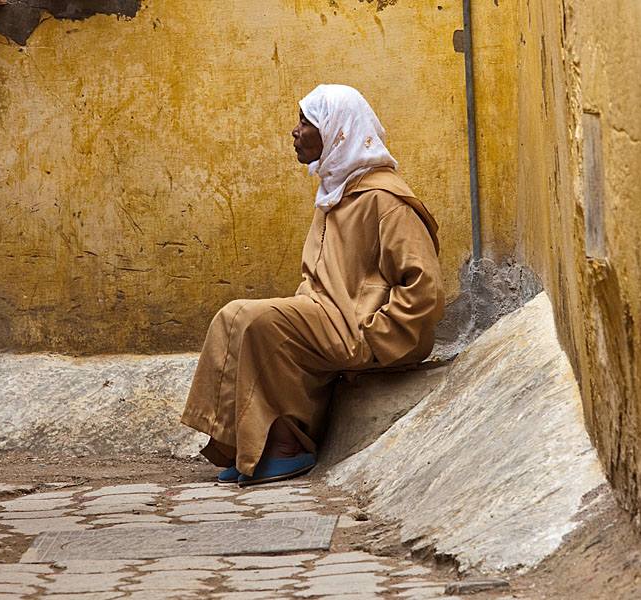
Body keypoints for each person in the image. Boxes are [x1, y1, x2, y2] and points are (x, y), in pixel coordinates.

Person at [181, 84, 444, 487]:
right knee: (233, 318)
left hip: (361, 329)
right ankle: (253, 445)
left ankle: (287, 447)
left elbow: (425, 288)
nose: (295, 131)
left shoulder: (385, 199)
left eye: (307, 122)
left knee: (252, 319)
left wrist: (378, 341)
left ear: (337, 130)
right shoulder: (335, 194)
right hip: (328, 319)